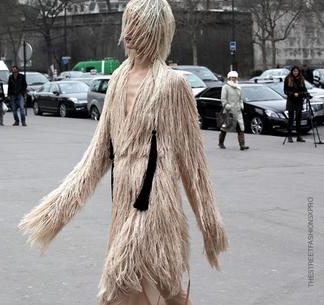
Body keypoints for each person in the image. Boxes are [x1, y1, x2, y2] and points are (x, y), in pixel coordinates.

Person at [19, 1, 228, 304]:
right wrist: (57, 208)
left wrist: (209, 222)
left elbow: (193, 162)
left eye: (137, 26)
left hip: (156, 203)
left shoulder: (173, 85)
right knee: (167, 291)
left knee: (119, 285)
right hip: (123, 202)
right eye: (126, 24)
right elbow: (99, 151)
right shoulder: (117, 78)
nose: (127, 33)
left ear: (154, 30)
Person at [218, 71, 249, 150]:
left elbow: (241, 98)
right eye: (232, 77)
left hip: (238, 111)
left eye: (235, 77)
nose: (234, 79)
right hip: (229, 111)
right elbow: (223, 100)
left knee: (240, 128)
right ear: (229, 78)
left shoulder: (238, 86)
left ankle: (242, 145)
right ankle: (220, 142)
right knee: (225, 128)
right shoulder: (226, 87)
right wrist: (228, 107)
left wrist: (241, 105)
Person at [284, 66, 308, 143]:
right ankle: (289, 136)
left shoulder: (301, 79)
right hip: (291, 101)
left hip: (299, 101)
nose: (295, 72)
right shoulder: (288, 78)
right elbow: (285, 91)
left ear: (299, 72)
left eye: (297, 71)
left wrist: (302, 94)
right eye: (294, 71)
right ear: (292, 71)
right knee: (291, 119)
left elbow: (304, 90)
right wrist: (293, 94)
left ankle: (299, 136)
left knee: (298, 119)